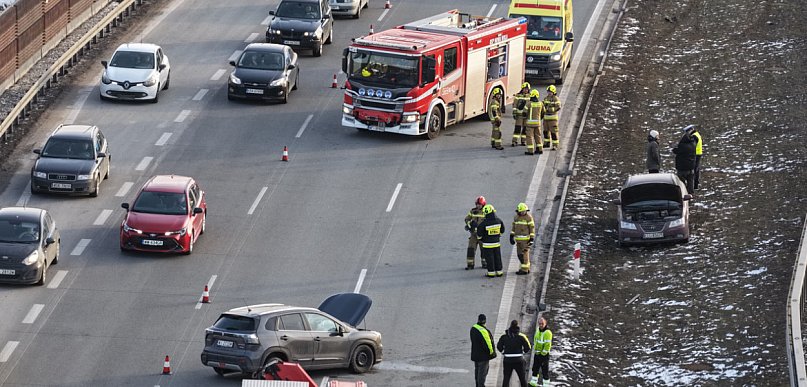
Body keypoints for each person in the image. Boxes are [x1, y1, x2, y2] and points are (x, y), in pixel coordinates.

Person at [496, 319, 531, 387]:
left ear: (510, 326)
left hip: (508, 360)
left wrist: (504, 352)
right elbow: (528, 347)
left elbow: (499, 346)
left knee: (506, 378)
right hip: (519, 360)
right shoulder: (521, 336)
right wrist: (522, 352)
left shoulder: (504, 337)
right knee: (522, 378)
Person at [476, 204, 505, 277]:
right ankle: (499, 272)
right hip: (496, 244)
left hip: (487, 245)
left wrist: (482, 239)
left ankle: (491, 272)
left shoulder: (483, 224)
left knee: (489, 259)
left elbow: (479, 234)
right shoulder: (499, 221)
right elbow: (502, 230)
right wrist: (498, 236)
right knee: (497, 257)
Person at [470, 314, 496, 387]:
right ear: (485, 321)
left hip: (475, 355)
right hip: (483, 357)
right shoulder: (483, 331)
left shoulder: (473, 328)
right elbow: (488, 344)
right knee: (482, 374)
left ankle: (477, 385)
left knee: (477, 372)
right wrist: (492, 353)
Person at [510, 203, 535, 275]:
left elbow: (532, 228)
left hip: (525, 240)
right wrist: (511, 236)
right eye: (522, 211)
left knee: (524, 254)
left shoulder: (529, 218)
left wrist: (531, 238)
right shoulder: (516, 218)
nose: (523, 212)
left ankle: (525, 269)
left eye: (524, 211)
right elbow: (514, 227)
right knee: (519, 254)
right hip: (518, 240)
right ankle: (526, 267)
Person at [528, 317, 553, 387]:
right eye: (540, 324)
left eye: (542, 324)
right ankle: (533, 382)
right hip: (537, 353)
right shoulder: (538, 330)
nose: (541, 325)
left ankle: (546, 385)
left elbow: (547, 345)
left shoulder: (548, 333)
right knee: (535, 368)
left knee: (545, 370)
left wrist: (543, 354)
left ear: (545, 324)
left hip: (544, 355)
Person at [672, 125, 697, 194]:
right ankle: (691, 194)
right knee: (690, 182)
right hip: (691, 166)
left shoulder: (682, 145)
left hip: (682, 168)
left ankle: (683, 193)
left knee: (681, 182)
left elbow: (677, 151)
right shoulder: (693, 144)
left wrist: (674, 149)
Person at [465, 196, 488, 270]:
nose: (478, 206)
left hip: (483, 235)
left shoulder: (486, 211)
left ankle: (485, 263)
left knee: (484, 250)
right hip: (473, 235)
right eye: (477, 204)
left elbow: (490, 222)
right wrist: (470, 224)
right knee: (471, 249)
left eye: (480, 204)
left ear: (483, 204)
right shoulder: (472, 211)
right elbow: (466, 219)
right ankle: (470, 264)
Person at [524, 89, 545, 155]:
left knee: (529, 137)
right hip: (538, 123)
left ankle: (530, 151)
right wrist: (539, 119)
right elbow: (543, 112)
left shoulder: (529, 104)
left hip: (530, 124)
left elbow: (524, 113)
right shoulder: (541, 103)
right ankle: (540, 149)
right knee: (538, 136)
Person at [542, 85, 561, 150]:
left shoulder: (556, 99)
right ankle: (546, 143)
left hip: (553, 119)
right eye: (548, 92)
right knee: (545, 132)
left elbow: (558, 107)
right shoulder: (545, 98)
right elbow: (543, 106)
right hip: (546, 118)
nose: (549, 93)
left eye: (550, 92)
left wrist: (550, 109)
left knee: (554, 132)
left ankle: (555, 145)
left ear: (553, 92)